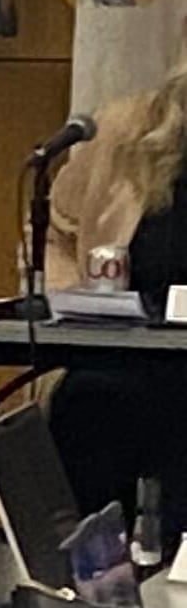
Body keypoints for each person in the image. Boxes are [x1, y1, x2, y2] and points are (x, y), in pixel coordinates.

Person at [46, 62, 187, 526]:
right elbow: (56, 234)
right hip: (126, 357)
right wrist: (71, 304)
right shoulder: (124, 129)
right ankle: (87, 583)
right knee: (86, 399)